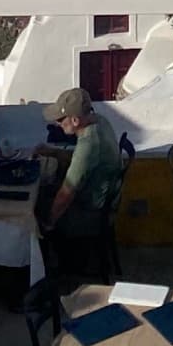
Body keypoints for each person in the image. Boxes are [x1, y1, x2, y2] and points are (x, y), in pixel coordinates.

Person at [42, 86, 123, 273]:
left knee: (36, 209)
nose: (56, 123)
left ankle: (51, 269)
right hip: (103, 201)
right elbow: (82, 161)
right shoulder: (100, 121)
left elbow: (66, 194)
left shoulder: (89, 142)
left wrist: (48, 222)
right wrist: (52, 152)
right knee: (47, 192)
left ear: (75, 120)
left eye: (60, 120)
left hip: (92, 213)